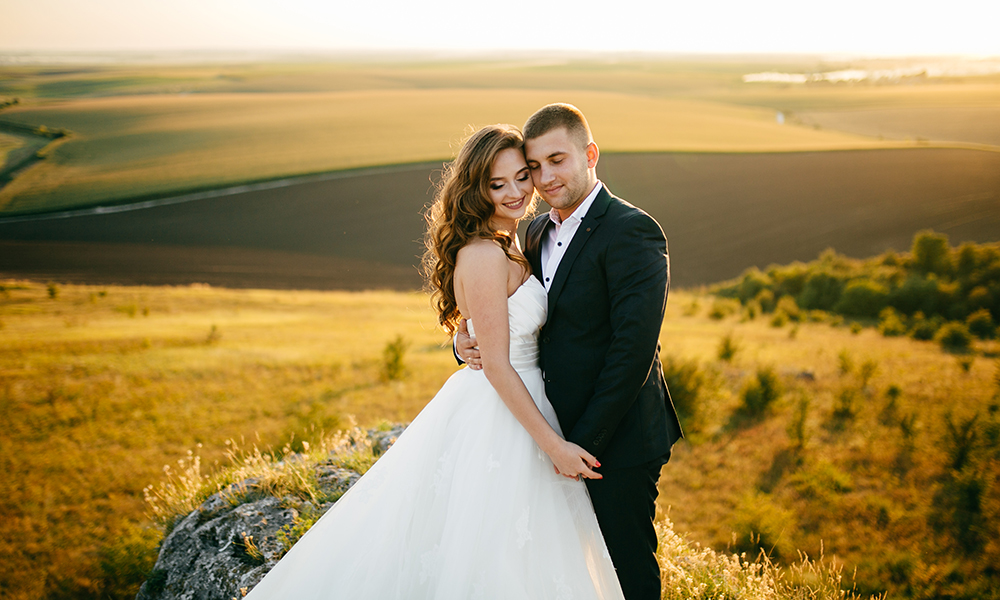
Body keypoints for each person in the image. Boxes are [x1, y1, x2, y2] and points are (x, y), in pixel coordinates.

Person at [243, 124, 626, 599]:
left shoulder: (512, 242)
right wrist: (554, 446)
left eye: (522, 176)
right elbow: (500, 365)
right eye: (496, 183)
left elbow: (498, 333)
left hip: (522, 399)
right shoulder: (485, 254)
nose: (516, 192)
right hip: (502, 412)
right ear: (475, 189)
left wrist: (464, 338)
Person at [457, 104, 683, 600]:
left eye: (557, 160)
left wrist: (580, 444)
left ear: (590, 154)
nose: (544, 178)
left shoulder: (633, 230)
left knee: (625, 570)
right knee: (565, 567)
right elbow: (512, 319)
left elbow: (633, 351)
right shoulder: (533, 232)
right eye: (534, 167)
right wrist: (464, 339)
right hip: (547, 432)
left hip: (615, 439)